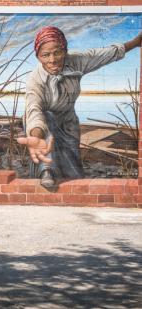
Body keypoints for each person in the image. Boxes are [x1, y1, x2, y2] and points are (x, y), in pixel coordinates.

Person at [18, 26, 142, 188]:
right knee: (47, 121)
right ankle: (46, 171)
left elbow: (103, 55)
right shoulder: (35, 80)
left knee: (74, 172)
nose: (52, 60)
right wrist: (36, 136)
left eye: (57, 52)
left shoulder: (75, 61)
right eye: (45, 55)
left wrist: (135, 42)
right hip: (43, 123)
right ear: (38, 57)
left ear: (65, 50)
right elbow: (34, 110)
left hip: (68, 121)